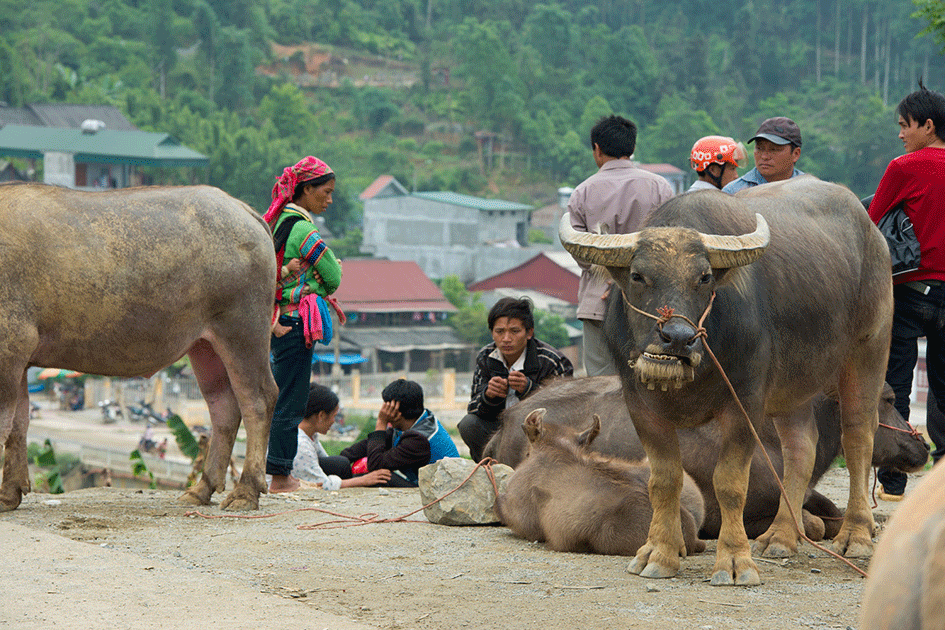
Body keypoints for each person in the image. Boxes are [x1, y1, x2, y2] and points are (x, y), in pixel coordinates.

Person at [867, 82, 945, 501]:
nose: (900, 134)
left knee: (895, 379)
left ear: (927, 126)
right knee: (944, 385)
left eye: (905, 125)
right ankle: (941, 482)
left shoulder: (905, 167)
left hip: (909, 290)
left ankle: (893, 482)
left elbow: (873, 217)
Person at [567, 115, 674, 376]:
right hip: (651, 305)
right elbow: (671, 244)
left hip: (598, 305)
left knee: (602, 383)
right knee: (650, 379)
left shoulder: (582, 192)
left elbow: (581, 253)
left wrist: (612, 276)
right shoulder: (660, 187)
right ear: (632, 148)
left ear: (597, 150)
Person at [264, 156, 344, 494]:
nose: (328, 200)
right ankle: (281, 477)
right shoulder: (303, 229)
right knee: (290, 400)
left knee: (276, 395)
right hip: (296, 324)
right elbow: (334, 277)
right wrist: (315, 286)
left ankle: (271, 471)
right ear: (305, 189)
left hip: (277, 321)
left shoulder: (279, 223)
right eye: (324, 193)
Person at [457, 297, 574, 461]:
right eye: (499, 331)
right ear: (492, 332)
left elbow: (566, 413)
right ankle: (491, 469)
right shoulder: (486, 357)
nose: (506, 339)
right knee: (468, 424)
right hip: (499, 430)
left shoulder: (553, 361)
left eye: (514, 331)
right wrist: (488, 396)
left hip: (537, 434)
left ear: (529, 333)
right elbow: (473, 409)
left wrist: (529, 389)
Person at [339, 379, 459, 487]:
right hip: (424, 484)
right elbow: (371, 444)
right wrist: (339, 462)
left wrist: (381, 423)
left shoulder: (419, 440)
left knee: (382, 477)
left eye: (387, 407)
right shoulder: (416, 421)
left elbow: (375, 465)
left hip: (440, 491)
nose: (384, 411)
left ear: (396, 411)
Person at [292, 384, 392, 490]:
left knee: (340, 463)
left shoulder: (311, 435)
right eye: (334, 416)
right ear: (321, 415)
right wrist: (364, 480)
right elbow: (321, 485)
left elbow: (329, 462)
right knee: (341, 465)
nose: (334, 421)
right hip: (305, 485)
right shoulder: (301, 444)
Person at [721, 117, 804, 194]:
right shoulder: (732, 192)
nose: (764, 157)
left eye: (774, 149)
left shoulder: (809, 189)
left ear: (795, 154)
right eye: (759, 148)